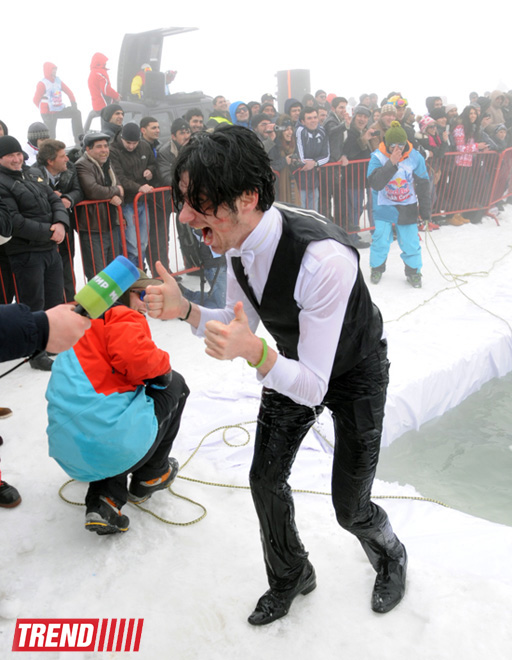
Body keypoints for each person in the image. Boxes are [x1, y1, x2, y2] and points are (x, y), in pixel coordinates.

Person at [144, 125, 408, 623]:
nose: (184, 216)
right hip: (290, 359)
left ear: (245, 198)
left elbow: (313, 385)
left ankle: (391, 554)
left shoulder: (321, 257)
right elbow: (236, 322)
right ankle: (291, 574)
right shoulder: (237, 242)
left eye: (198, 202)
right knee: (265, 478)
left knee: (350, 507)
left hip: (355, 371)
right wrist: (185, 310)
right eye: (183, 200)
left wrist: (255, 354)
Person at [46, 272, 189, 534]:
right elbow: (139, 360)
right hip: (106, 441)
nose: (145, 304)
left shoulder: (74, 318)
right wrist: (162, 370)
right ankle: (151, 475)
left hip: (69, 450)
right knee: (175, 385)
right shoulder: (119, 315)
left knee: (113, 415)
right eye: (142, 295)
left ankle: (104, 502)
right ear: (120, 295)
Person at [0, 135, 69, 371]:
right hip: (25, 252)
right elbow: (14, 221)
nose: (16, 159)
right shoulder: (1, 182)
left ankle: (54, 341)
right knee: (33, 303)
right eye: (10, 155)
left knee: (54, 299)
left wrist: (60, 223)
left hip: (49, 249)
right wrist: (49, 232)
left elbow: (55, 200)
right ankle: (36, 352)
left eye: (18, 154)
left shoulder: (32, 173)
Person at [367, 121, 431, 288]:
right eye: (393, 145)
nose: (398, 149)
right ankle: (377, 267)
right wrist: (392, 163)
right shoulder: (377, 156)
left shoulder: (415, 156)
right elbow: (376, 183)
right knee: (380, 239)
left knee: (410, 241)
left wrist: (425, 211)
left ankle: (414, 271)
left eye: (401, 145)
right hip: (384, 204)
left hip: (406, 205)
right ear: (387, 145)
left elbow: (424, 184)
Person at [29, 139, 84, 302]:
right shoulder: (33, 173)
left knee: (68, 263)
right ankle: (54, 305)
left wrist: (68, 199)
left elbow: (78, 191)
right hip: (46, 228)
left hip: (66, 224)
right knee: (50, 268)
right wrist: (53, 197)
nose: (67, 158)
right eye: (62, 156)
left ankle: (70, 300)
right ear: (50, 161)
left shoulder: (71, 168)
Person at [75, 133, 123, 280]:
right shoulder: (82, 164)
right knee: (98, 273)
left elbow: (120, 187)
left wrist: (118, 195)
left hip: (110, 222)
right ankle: (99, 303)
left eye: (106, 146)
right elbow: (93, 190)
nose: (104, 150)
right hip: (93, 226)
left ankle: (115, 302)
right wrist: (115, 192)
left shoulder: (107, 163)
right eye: (99, 147)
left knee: (113, 268)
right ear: (88, 149)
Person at [109, 123, 157, 268]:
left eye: (134, 143)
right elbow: (119, 177)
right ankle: (134, 274)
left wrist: (150, 170)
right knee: (131, 244)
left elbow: (153, 163)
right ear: (121, 138)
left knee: (143, 242)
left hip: (143, 201)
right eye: (128, 143)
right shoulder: (114, 150)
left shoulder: (144, 146)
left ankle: (141, 270)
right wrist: (139, 187)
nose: (131, 146)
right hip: (127, 202)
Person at [33, 63, 83, 143]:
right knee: (51, 136)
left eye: (55, 69)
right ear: (48, 70)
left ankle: (79, 139)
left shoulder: (58, 81)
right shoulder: (42, 84)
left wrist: (73, 103)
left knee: (76, 113)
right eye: (53, 69)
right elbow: (35, 100)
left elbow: (68, 91)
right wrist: (43, 112)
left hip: (59, 109)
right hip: (48, 113)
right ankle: (50, 151)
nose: (55, 71)